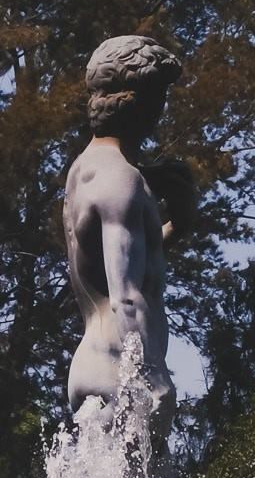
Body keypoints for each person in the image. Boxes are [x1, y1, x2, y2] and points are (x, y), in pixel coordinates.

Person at [63, 35, 191, 416]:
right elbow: (126, 294)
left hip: (100, 362)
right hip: (122, 373)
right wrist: (156, 378)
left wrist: (177, 225)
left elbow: (119, 264)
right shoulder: (122, 180)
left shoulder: (87, 170)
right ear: (140, 102)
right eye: (160, 97)